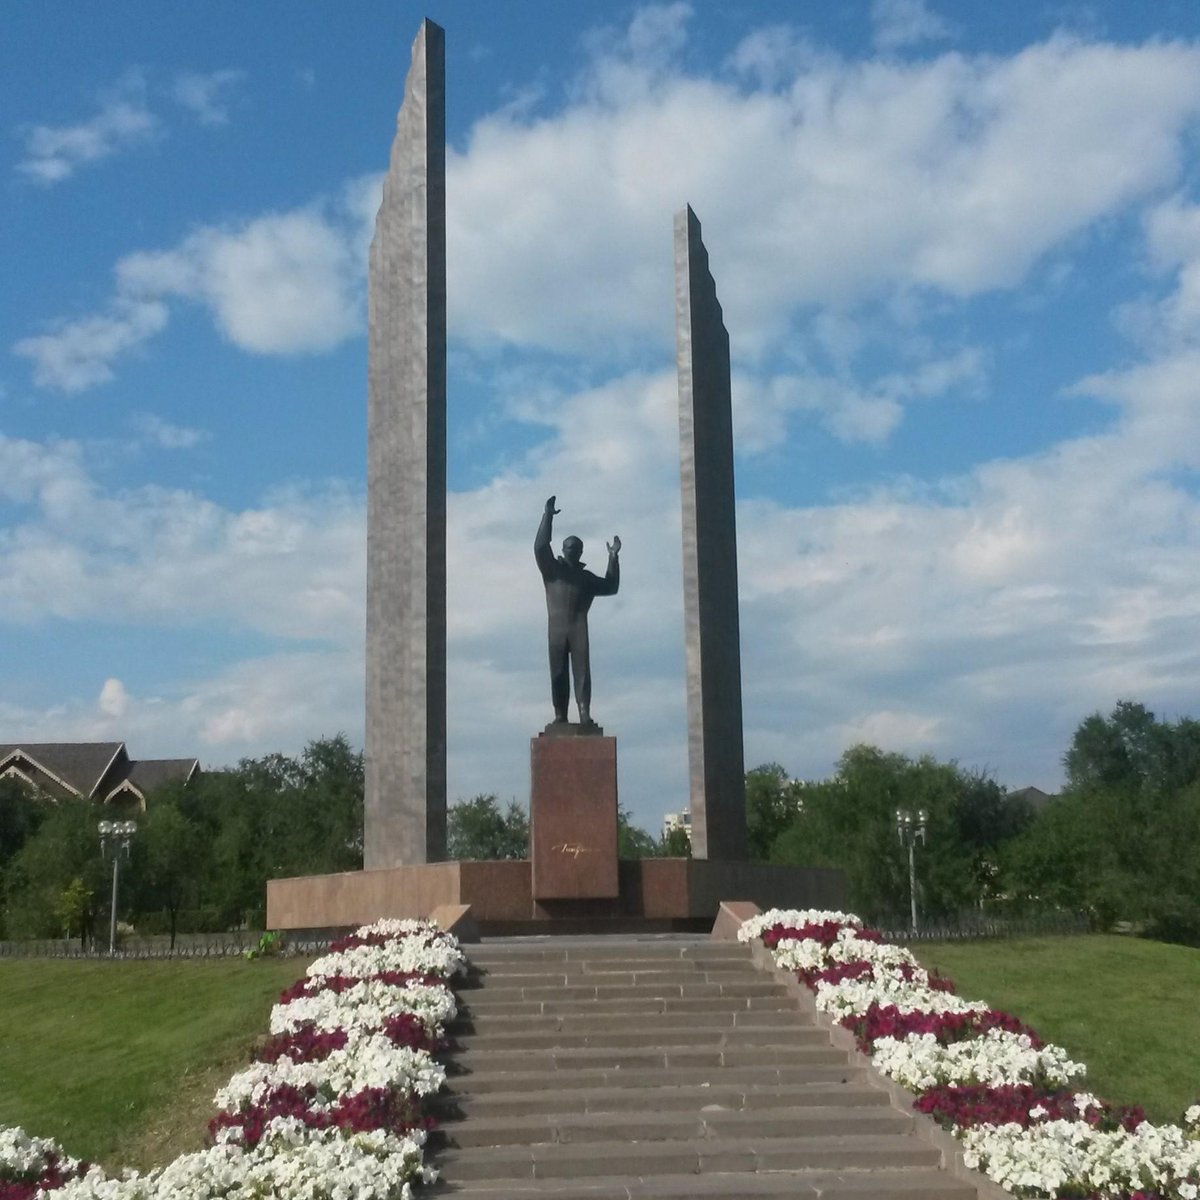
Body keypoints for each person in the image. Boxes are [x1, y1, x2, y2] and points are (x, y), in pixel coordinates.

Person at [534, 495, 620, 726]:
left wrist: (613, 557)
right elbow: (541, 547)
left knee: (582, 673)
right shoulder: (553, 571)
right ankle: (560, 714)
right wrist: (547, 517)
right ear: (563, 549)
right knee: (558, 674)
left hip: (578, 627)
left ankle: (584, 713)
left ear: (581, 552)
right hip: (557, 630)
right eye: (570, 547)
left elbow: (611, 587)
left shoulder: (586, 578)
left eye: (577, 548)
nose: (573, 550)